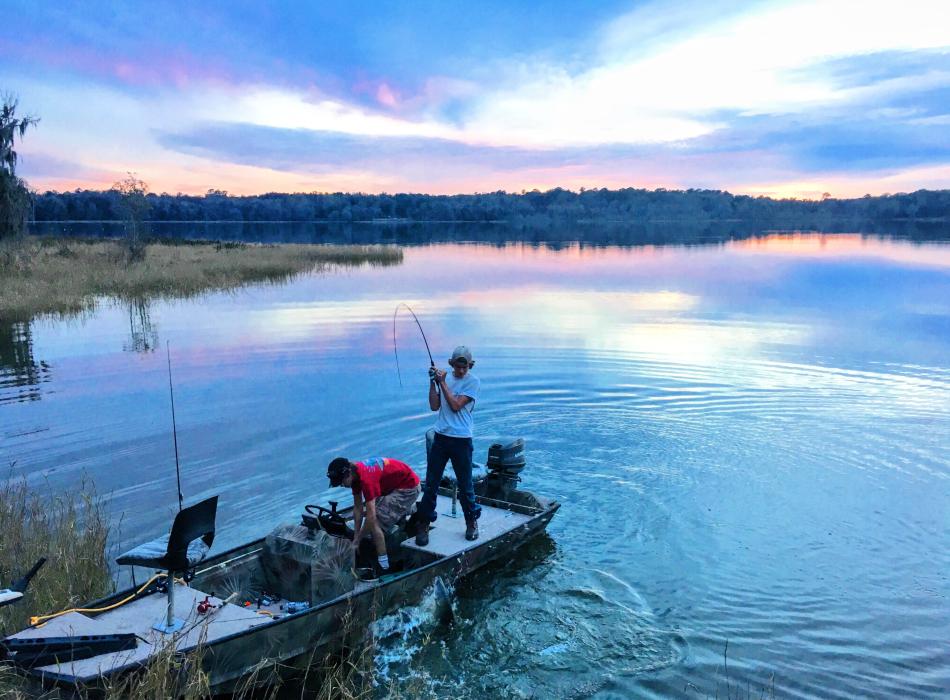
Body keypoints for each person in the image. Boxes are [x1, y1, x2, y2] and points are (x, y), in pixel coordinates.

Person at [416, 345, 481, 545]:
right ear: (452, 364)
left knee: (465, 484)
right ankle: (424, 523)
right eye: (458, 366)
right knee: (431, 484)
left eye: (465, 367)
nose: (461, 370)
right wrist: (433, 383)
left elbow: (454, 406)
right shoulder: (445, 378)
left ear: (469, 366)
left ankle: (471, 522)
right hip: (441, 437)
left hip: (462, 439)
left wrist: (442, 382)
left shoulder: (473, 382)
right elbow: (435, 406)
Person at [326, 456, 420, 573]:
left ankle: (384, 564)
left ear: (348, 474)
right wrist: (356, 536)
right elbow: (358, 508)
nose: (342, 485)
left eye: (341, 482)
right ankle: (405, 510)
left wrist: (358, 539)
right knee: (376, 513)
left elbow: (371, 519)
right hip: (390, 487)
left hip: (408, 488)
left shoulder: (367, 480)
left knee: (376, 524)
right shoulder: (355, 476)